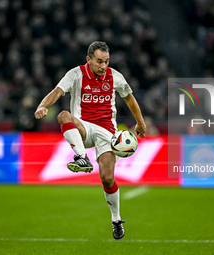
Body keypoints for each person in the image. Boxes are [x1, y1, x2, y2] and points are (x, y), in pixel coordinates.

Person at [34, 41, 147, 240]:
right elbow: (57, 92)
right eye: (99, 62)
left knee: (107, 178)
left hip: (107, 133)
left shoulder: (115, 77)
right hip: (84, 127)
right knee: (63, 115)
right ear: (89, 59)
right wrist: (42, 106)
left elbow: (129, 98)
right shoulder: (75, 74)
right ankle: (81, 157)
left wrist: (140, 123)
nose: (103, 66)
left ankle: (116, 219)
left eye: (107, 61)